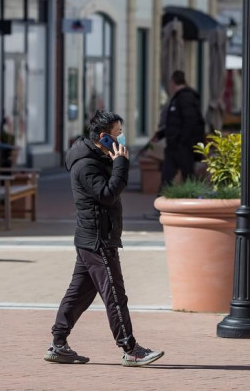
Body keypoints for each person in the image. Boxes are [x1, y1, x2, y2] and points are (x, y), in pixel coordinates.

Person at [44, 110, 164, 367]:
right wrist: (120, 163)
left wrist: (112, 160)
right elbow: (107, 194)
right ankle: (130, 349)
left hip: (92, 237)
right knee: (115, 294)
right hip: (98, 239)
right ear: (103, 137)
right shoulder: (86, 165)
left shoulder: (95, 156)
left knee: (79, 294)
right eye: (117, 134)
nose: (121, 139)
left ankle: (58, 344)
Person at [152, 70, 205, 187]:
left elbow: (190, 123)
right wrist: (161, 134)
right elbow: (175, 124)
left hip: (183, 147)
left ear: (172, 82)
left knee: (188, 178)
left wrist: (181, 142)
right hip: (174, 146)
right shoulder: (178, 98)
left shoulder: (185, 98)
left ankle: (196, 201)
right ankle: (161, 204)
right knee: (168, 179)